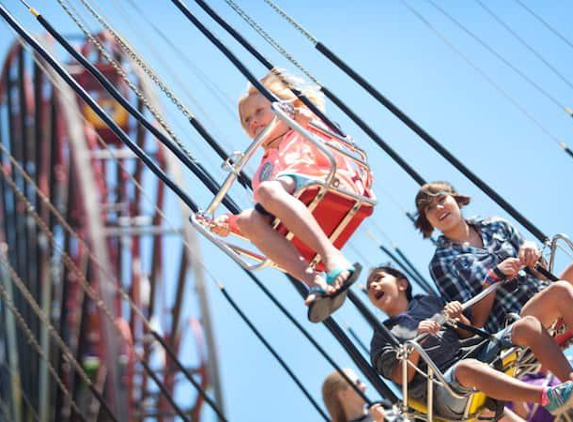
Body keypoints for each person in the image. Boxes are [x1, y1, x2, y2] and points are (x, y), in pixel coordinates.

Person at [209, 69, 374, 321]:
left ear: (285, 107)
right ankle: (313, 280)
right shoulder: (264, 169)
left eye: (259, 111)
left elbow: (311, 118)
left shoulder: (305, 125)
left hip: (330, 182)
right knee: (246, 218)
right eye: (246, 120)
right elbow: (268, 214)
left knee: (267, 190)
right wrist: (230, 225)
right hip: (299, 200)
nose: (252, 120)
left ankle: (333, 259)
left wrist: (300, 114)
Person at [367, 265, 573, 419]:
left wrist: (459, 320)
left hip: (472, 354)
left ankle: (569, 382)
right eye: (369, 287)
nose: (373, 285)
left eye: (378, 278)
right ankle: (548, 397)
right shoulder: (382, 335)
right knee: (466, 368)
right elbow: (401, 377)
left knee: (527, 324)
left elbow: (468, 336)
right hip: (443, 390)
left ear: (402, 284)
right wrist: (415, 343)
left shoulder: (427, 302)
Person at [414, 181, 573, 333]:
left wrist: (531, 251)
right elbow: (476, 323)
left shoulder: (496, 225)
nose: (438, 208)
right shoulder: (440, 264)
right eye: (429, 208)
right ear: (426, 220)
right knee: (561, 290)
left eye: (442, 199)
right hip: (514, 323)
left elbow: (542, 275)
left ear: (456, 199)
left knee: (561, 287)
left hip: (545, 294)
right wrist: (492, 278)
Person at [322, 368, 388, 422]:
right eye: (357, 383)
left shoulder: (383, 405)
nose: (364, 386)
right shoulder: (377, 414)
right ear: (343, 394)